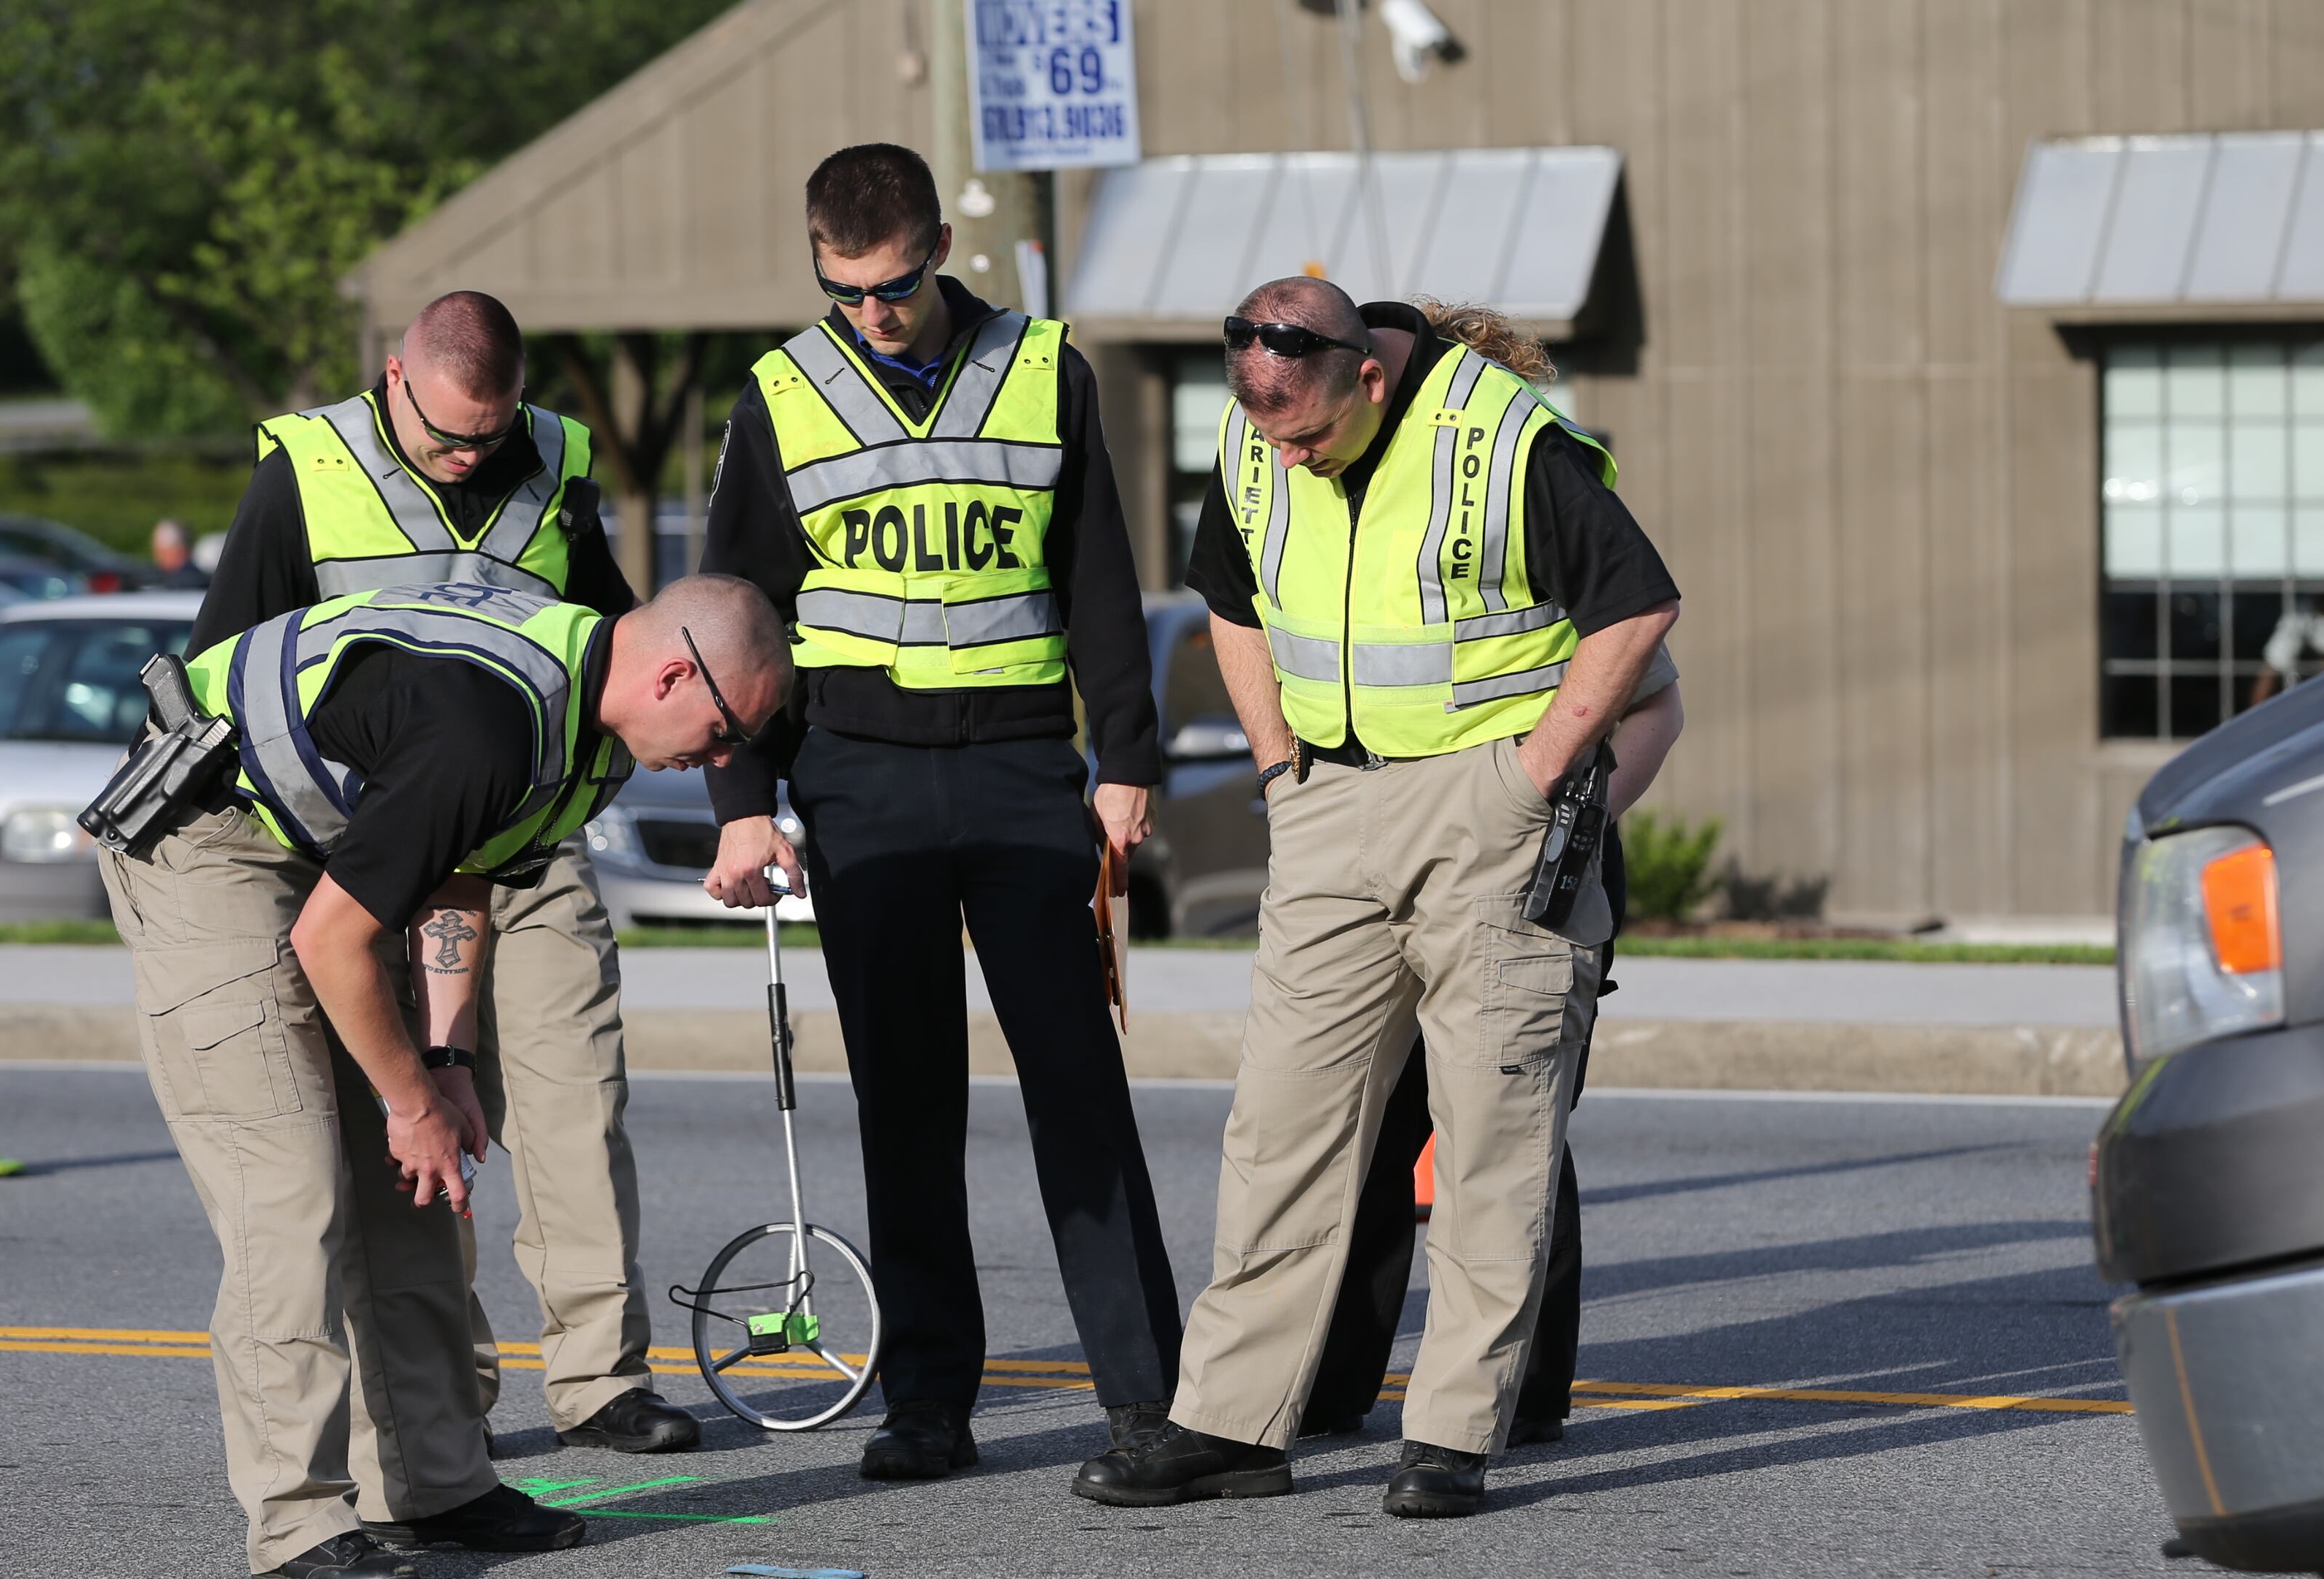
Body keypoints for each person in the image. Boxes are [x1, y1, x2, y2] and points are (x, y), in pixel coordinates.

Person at [1074, 281, 1680, 1519]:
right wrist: (1276, 768)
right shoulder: (1257, 435)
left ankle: (1451, 1436)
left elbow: (1638, 608)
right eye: (1269, 432)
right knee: (1280, 1131)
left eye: (1307, 432)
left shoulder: (1501, 439)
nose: (1287, 455)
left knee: (1490, 1138)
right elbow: (1230, 600)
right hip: (1326, 806)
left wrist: (1533, 782)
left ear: (1366, 376)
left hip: (1486, 808)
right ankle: (1230, 1425)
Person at [96, 575, 791, 1579]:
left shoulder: (592, 739)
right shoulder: (487, 721)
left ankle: (433, 1486)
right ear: (675, 675)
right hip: (209, 836)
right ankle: (296, 1526)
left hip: (326, 850)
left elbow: (460, 870)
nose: (725, 761)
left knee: (413, 1193)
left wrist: (448, 1061)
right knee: (289, 1191)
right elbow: (331, 941)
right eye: (728, 732)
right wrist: (409, 1099)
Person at [696, 142, 1183, 1481]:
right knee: (904, 1101)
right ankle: (927, 1403)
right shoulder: (782, 395)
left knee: (1078, 1087)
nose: (872, 312)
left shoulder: (1045, 369)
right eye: (844, 289)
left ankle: (1148, 1398)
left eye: (894, 286)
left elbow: (1097, 572)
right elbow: (734, 614)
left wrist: (1126, 755)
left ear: (938, 253)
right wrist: (743, 801)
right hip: (858, 779)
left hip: (1023, 771)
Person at [191, 290, 702, 1458]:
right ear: (393, 378)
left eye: (492, 431)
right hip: (376, 848)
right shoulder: (308, 467)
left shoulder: (557, 461)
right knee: (413, 1116)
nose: (471, 454)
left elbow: (628, 641)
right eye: (447, 434)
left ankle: (601, 1378)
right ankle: (447, 1397)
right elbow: (232, 663)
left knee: (576, 1100)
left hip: (526, 830)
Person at [1300, 663, 1684, 1447]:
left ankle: (1526, 1390)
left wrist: (1574, 824)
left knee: (1513, 1128)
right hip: (1381, 863)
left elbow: (1659, 707)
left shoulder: (1560, 576)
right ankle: (1328, 1384)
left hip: (1531, 862)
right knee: (1365, 1128)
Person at [151, 517, 211, 588]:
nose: (157, 557)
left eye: (162, 552)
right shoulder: (206, 581)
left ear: (180, 551)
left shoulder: (179, 584)